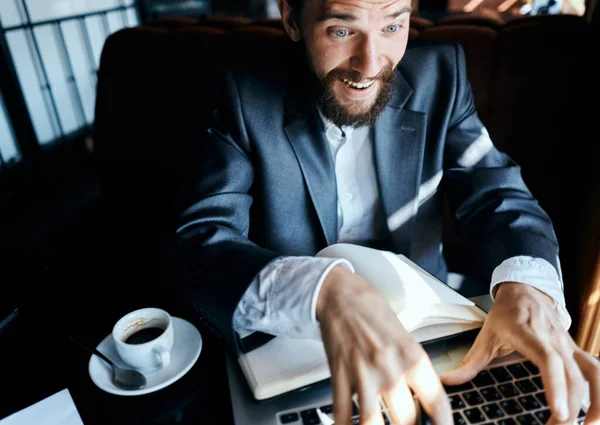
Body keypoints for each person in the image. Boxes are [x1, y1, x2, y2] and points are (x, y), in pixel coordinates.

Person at [175, 1, 600, 424]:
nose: (371, 64)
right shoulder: (244, 93)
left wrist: (528, 286)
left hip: (434, 334)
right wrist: (326, 290)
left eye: (393, 26)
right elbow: (202, 244)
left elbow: (498, 195)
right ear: (291, 19)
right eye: (342, 31)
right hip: (301, 348)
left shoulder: (442, 76)